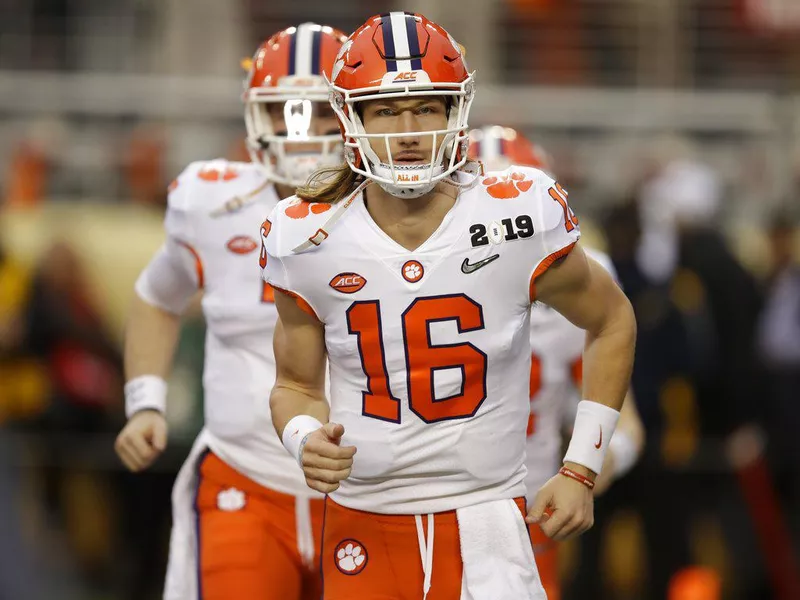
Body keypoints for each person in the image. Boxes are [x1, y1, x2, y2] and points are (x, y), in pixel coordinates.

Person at [262, 13, 636, 600]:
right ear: (352, 117)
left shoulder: (517, 216)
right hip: (365, 518)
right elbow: (295, 386)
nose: (408, 129)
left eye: (427, 106)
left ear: (455, 112)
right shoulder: (304, 237)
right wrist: (303, 436)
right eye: (386, 110)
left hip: (487, 515)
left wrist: (579, 468)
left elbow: (612, 321)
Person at [114, 23, 347, 600]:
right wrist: (145, 400)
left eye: (326, 116)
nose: (308, 137)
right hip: (243, 477)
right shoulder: (210, 202)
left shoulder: (394, 208)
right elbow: (156, 296)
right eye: (290, 115)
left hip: (368, 492)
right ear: (256, 118)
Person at [470, 125, 645, 600]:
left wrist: (591, 463)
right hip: (428, 505)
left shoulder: (579, 278)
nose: (499, 222)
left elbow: (625, 423)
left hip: (527, 511)